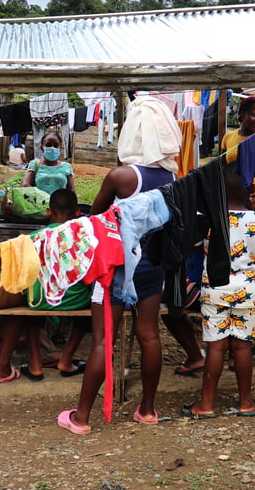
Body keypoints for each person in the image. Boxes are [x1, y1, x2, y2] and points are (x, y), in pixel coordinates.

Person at [57, 159, 174, 434]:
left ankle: (82, 418)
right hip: (151, 266)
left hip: (117, 266)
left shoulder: (121, 176)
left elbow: (95, 218)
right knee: (150, 335)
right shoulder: (172, 175)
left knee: (102, 342)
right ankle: (147, 410)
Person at [182, 170, 255, 419]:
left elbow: (193, 248)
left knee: (215, 348)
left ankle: (206, 404)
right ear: (247, 194)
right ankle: (245, 403)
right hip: (249, 290)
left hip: (215, 290)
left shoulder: (208, 220)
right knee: (243, 348)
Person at [0, 189, 91, 383]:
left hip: (40, 302)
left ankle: (35, 365)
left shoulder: (31, 239)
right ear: (77, 213)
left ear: (48, 212)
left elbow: (22, 275)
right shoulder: (84, 237)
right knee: (90, 305)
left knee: (28, 307)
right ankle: (66, 360)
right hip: (77, 302)